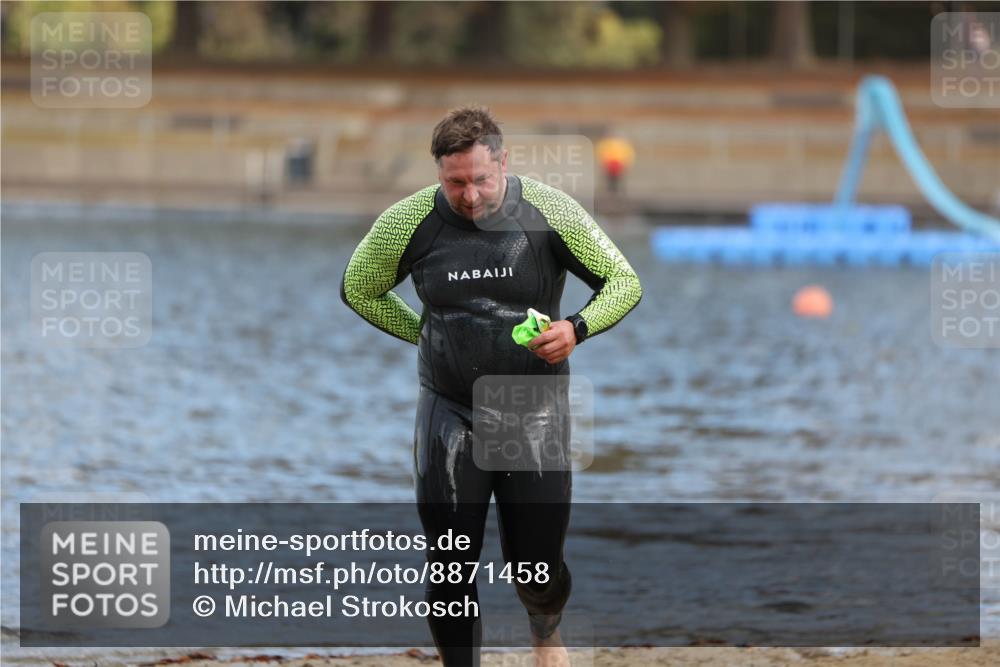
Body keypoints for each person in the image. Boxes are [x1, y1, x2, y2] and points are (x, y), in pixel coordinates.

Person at [340, 107, 642, 667]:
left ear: (503, 162)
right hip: (449, 407)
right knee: (450, 564)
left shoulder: (550, 212)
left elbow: (623, 281)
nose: (471, 196)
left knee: (539, 567)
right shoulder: (408, 222)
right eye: (456, 182)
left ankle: (545, 633)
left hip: (532, 406)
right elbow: (360, 288)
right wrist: (425, 336)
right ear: (438, 174)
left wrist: (575, 329)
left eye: (481, 179)